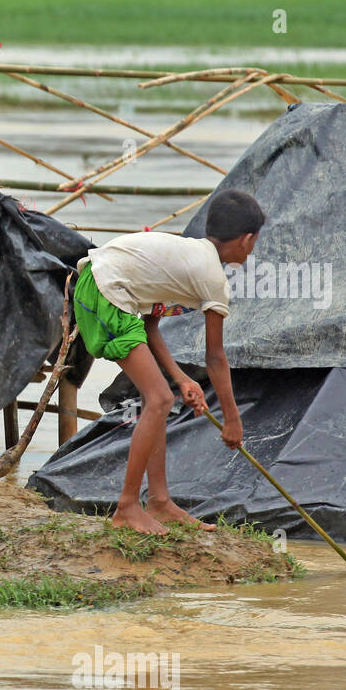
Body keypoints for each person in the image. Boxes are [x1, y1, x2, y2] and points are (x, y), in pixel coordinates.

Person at [71, 188, 265, 535]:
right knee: (159, 399)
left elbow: (149, 326)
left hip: (102, 288)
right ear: (247, 240)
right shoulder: (212, 278)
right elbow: (215, 357)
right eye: (255, 242)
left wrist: (182, 379)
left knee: (159, 397)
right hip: (106, 293)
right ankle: (127, 507)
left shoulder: (188, 254)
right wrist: (232, 419)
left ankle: (159, 502)